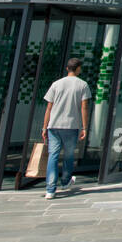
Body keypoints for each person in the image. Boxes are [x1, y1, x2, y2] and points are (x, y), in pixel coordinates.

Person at [41, 57, 91, 199]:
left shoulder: (56, 84)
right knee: (68, 155)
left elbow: (49, 107)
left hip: (54, 125)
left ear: (67, 68)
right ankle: (65, 181)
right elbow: (84, 107)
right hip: (71, 126)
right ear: (78, 69)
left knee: (53, 155)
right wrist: (84, 127)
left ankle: (50, 189)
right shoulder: (82, 85)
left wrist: (45, 127)